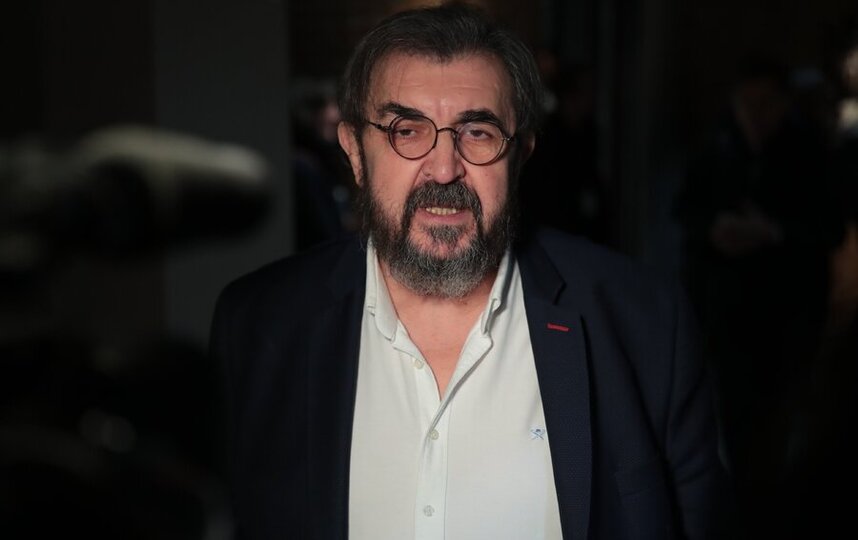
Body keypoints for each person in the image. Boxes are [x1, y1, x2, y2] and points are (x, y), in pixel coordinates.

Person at [210, 4, 724, 539]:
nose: (443, 168)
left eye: (477, 132)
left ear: (520, 157)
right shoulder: (259, 326)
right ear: (355, 153)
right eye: (407, 130)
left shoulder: (643, 321)